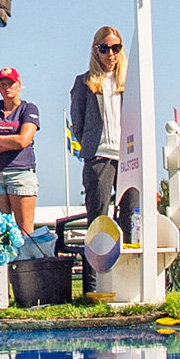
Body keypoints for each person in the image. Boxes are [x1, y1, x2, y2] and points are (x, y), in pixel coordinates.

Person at [68, 26, 128, 224]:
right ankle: (96, 255)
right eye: (104, 48)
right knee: (98, 217)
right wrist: (89, 143)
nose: (110, 54)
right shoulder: (84, 82)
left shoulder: (131, 82)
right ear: (96, 50)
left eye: (115, 48)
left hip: (128, 157)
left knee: (131, 215)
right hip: (99, 156)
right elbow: (78, 121)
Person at [0, 66, 41, 235]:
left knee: (25, 228)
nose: (7, 88)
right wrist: (10, 141)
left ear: (19, 85)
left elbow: (23, 140)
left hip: (21, 173)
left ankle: (26, 260)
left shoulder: (29, 109)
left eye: (11, 83)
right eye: (3, 84)